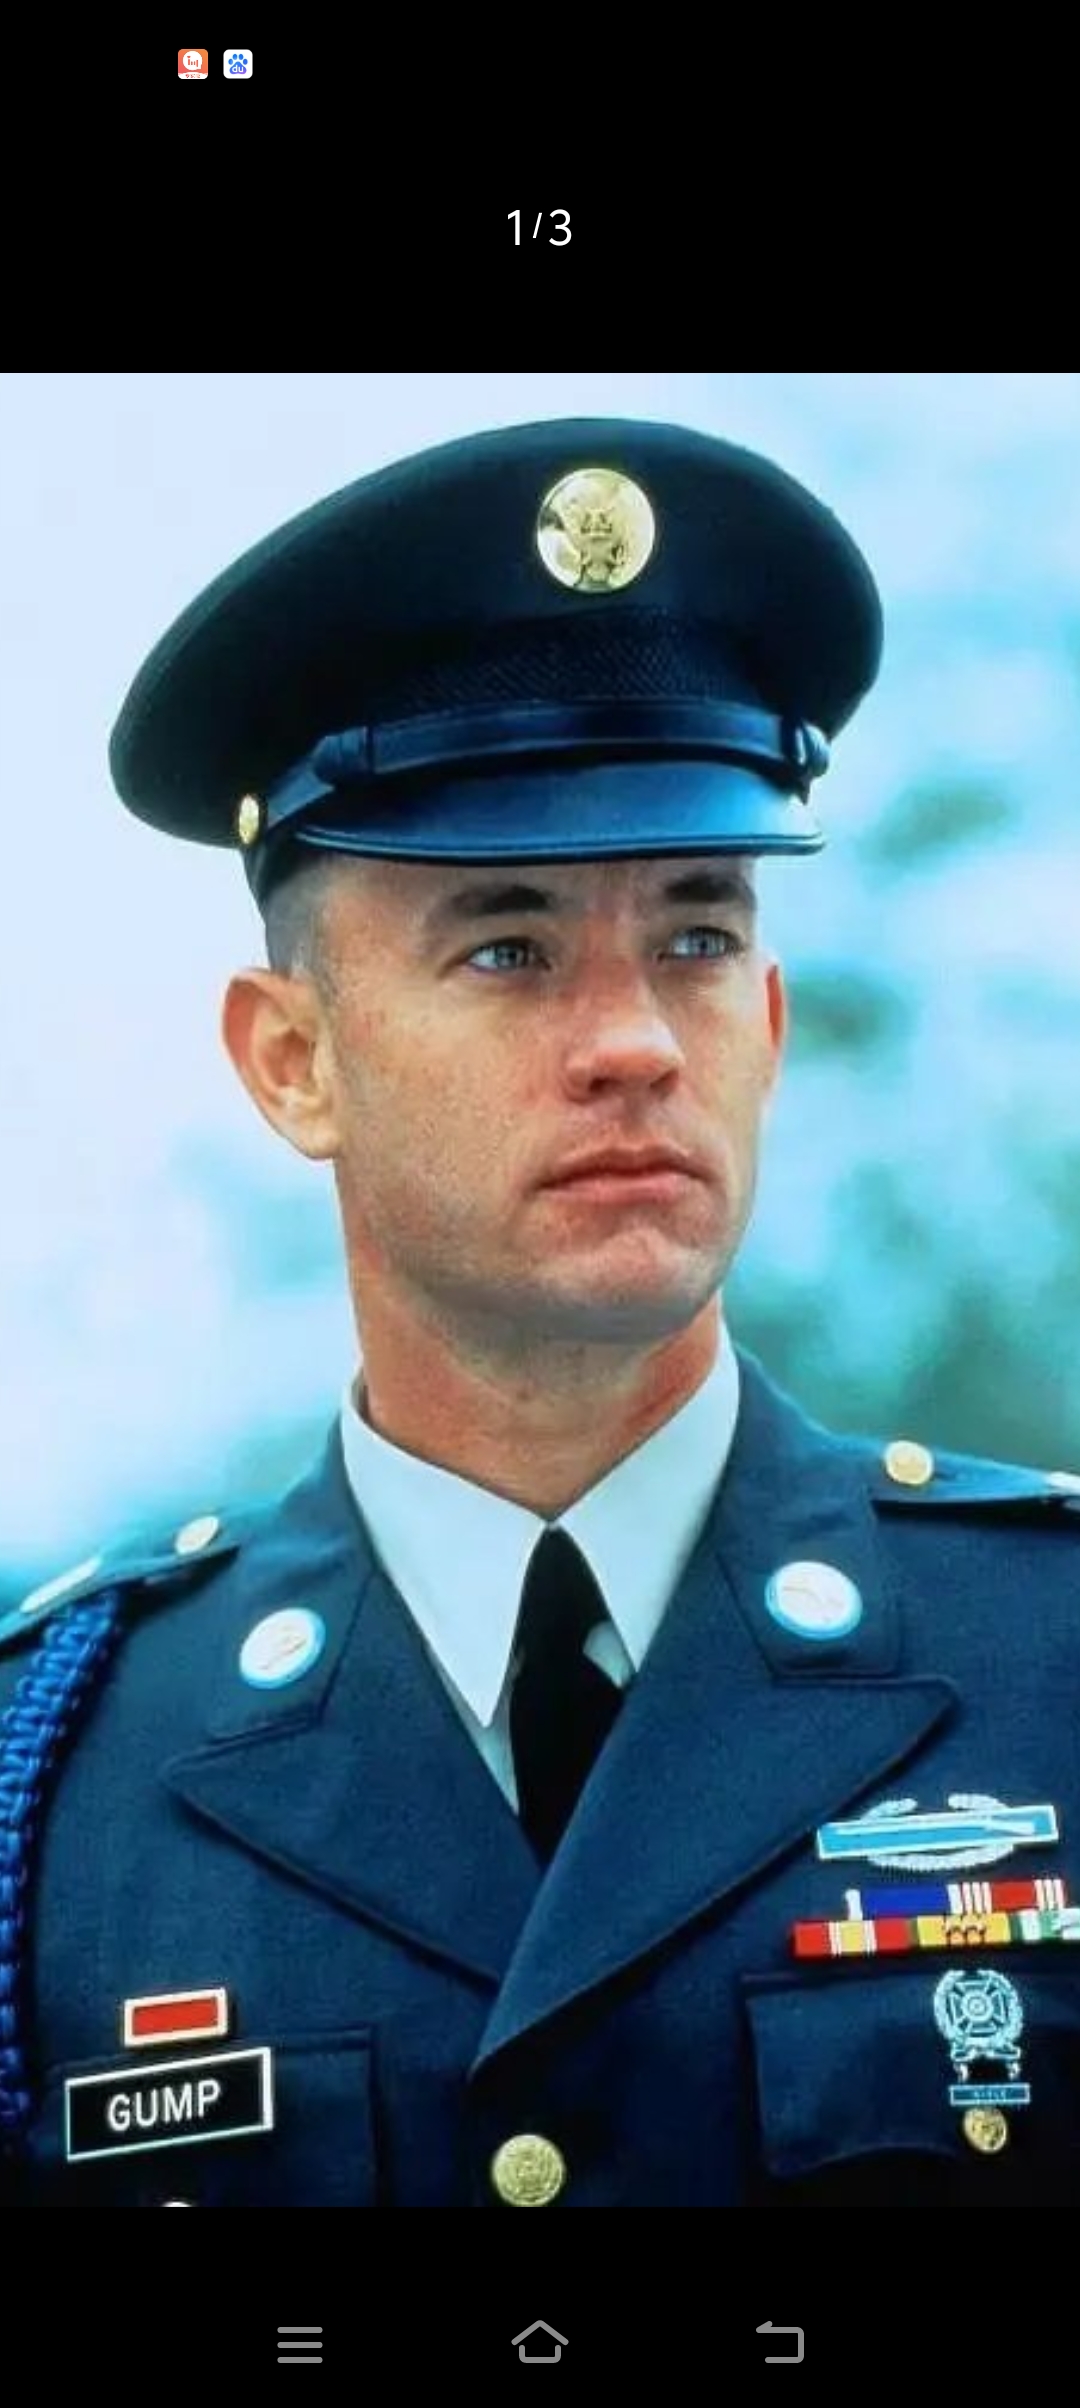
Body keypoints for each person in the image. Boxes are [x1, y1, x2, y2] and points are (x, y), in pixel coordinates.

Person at [2, 417, 1079, 2211]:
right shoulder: (51, 1787)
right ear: (292, 1063)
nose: (637, 1041)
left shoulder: (1056, 1655)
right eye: (507, 949)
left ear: (771, 1026)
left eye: (698, 938)